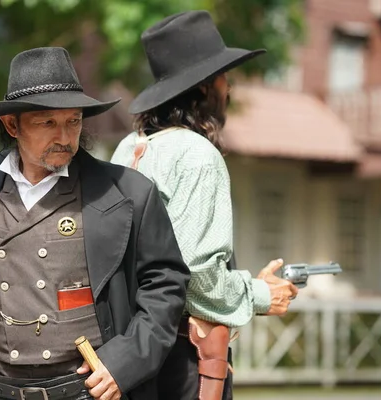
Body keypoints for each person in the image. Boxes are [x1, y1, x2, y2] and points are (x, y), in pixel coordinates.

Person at [0, 47, 190, 400]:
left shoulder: (128, 193)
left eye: (73, 121)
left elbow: (166, 289)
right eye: (48, 123)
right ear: (12, 124)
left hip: (85, 391)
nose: (65, 136)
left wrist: (124, 362)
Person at [110, 11, 299, 400]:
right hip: (180, 361)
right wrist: (261, 294)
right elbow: (196, 276)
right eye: (225, 77)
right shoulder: (198, 155)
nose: (229, 89)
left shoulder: (128, 148)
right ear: (205, 87)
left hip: (127, 352)